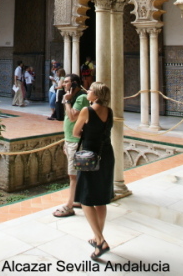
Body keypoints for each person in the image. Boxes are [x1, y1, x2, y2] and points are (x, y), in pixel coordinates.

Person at [73, 82, 114, 261]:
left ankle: (100, 240)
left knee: (86, 199)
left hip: (89, 156)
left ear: (96, 95)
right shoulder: (110, 111)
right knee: (100, 199)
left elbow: (76, 132)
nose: (87, 91)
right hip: (106, 155)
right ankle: (98, 237)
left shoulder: (87, 111)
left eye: (90, 90)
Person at [53, 73, 89, 217]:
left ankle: (69, 205)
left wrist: (66, 102)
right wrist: (65, 141)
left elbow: (73, 116)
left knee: (73, 175)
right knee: (75, 174)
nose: (63, 84)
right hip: (70, 141)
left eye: (67, 82)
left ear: (74, 83)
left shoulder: (81, 98)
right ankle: (77, 199)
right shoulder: (74, 97)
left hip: (76, 142)